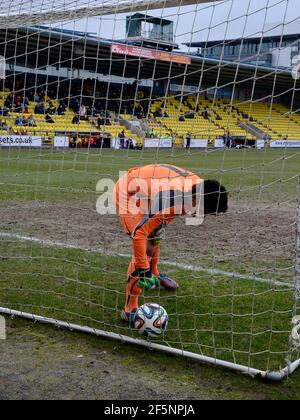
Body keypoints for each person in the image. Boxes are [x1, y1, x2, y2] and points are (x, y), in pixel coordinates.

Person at [114, 164, 228, 324]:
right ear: (195, 199)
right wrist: (143, 270)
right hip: (128, 192)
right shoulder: (172, 198)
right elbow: (140, 234)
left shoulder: (198, 189)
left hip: (152, 192)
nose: (203, 216)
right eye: (205, 212)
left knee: (156, 235)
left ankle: (155, 273)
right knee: (145, 247)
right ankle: (129, 308)